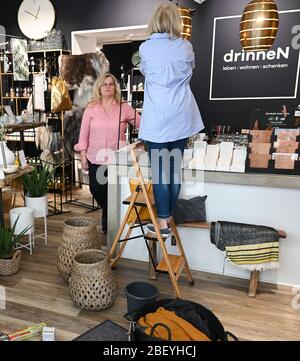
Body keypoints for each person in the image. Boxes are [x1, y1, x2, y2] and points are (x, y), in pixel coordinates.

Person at [138, 3, 204, 238]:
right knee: (174, 171)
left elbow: (147, 72)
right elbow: (190, 70)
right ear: (176, 22)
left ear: (154, 21)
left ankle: (163, 223)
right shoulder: (185, 46)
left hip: (157, 117)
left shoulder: (145, 48)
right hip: (181, 116)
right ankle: (169, 216)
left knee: (159, 172)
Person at [75, 73, 140, 233]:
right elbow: (83, 134)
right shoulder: (91, 108)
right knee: (96, 190)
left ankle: (109, 224)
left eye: (111, 84)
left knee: (112, 191)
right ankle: (108, 213)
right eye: (105, 84)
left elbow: (141, 123)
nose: (108, 86)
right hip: (94, 157)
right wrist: (83, 155)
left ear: (115, 87)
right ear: (99, 87)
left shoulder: (123, 108)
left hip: (115, 159)